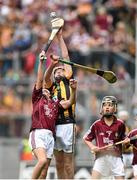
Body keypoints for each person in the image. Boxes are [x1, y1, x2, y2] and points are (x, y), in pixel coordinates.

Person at [28, 51, 77, 179]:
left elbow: (70, 102)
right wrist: (42, 63)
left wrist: (74, 90)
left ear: (50, 92)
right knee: (42, 162)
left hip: (51, 136)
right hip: (38, 132)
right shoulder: (37, 98)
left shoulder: (55, 103)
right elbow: (41, 79)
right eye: (42, 86)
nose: (43, 87)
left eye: (46, 87)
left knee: (44, 171)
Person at [44, 29, 76, 179]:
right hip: (54, 125)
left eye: (61, 70)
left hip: (68, 123)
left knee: (68, 163)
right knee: (58, 163)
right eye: (56, 70)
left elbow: (66, 56)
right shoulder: (50, 84)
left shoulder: (68, 79)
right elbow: (45, 76)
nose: (59, 71)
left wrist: (60, 37)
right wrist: (52, 64)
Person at [83, 96, 126, 179]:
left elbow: (124, 140)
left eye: (110, 105)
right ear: (102, 108)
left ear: (115, 108)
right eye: (104, 105)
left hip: (116, 159)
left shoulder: (120, 124)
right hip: (101, 157)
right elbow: (86, 138)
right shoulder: (97, 124)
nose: (107, 107)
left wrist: (126, 142)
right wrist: (93, 147)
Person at [118, 110, 134, 179]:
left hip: (130, 152)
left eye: (125, 116)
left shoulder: (129, 127)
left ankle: (129, 178)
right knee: (121, 169)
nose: (124, 118)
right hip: (121, 153)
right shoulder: (117, 127)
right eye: (122, 116)